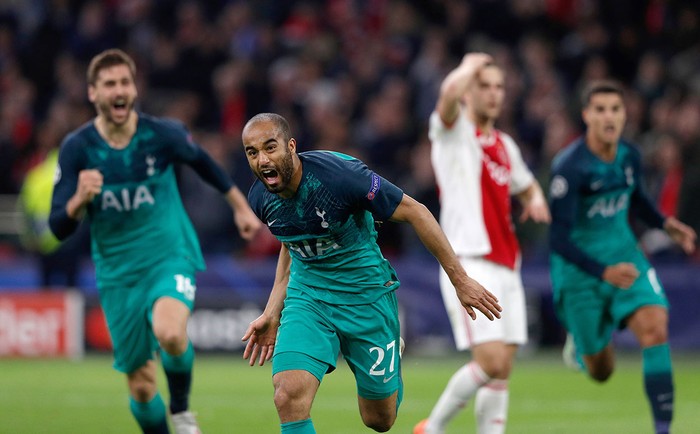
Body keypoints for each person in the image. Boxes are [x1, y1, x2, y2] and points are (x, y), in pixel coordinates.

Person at [239, 112, 503, 434]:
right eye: (253, 152)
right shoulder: (260, 197)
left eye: (270, 148)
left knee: (379, 420)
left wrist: (460, 280)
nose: (262, 159)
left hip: (366, 295)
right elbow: (292, 243)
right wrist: (272, 312)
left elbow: (417, 212)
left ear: (291, 146)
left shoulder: (340, 177)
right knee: (287, 395)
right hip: (309, 296)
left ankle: (391, 356)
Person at [48, 48, 261, 434]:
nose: (119, 90)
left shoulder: (160, 134)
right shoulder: (77, 148)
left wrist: (240, 207)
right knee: (142, 386)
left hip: (168, 254)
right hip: (117, 273)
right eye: (109, 83)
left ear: (135, 88)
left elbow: (202, 161)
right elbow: (58, 226)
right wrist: (79, 200)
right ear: (93, 93)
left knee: (170, 332)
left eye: (125, 82)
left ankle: (181, 410)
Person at [548, 79, 696, 434]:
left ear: (625, 114)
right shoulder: (570, 166)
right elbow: (558, 239)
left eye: (615, 109)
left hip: (627, 257)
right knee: (602, 371)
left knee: (655, 328)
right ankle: (581, 348)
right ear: (586, 116)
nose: (608, 116)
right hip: (581, 272)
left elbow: (638, 199)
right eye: (600, 110)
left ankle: (663, 429)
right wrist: (602, 271)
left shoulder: (630, 155)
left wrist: (665, 223)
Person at [413, 53, 551, 434]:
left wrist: (535, 199)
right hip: (469, 260)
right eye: (483, 86)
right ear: (467, 94)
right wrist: (468, 67)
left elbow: (525, 184)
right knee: (489, 361)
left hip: (508, 263)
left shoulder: (505, 144)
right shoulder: (452, 133)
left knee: (502, 367)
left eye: (498, 87)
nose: (492, 94)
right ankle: (432, 428)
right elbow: (447, 94)